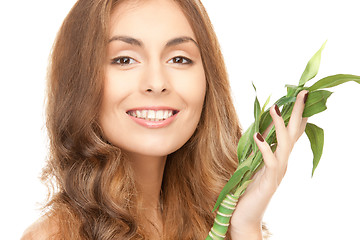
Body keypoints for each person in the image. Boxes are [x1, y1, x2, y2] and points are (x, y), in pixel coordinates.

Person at [21, 0, 308, 239]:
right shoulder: (56, 235)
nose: (157, 83)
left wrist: (245, 225)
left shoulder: (205, 221)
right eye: (124, 59)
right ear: (80, 82)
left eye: (179, 59)